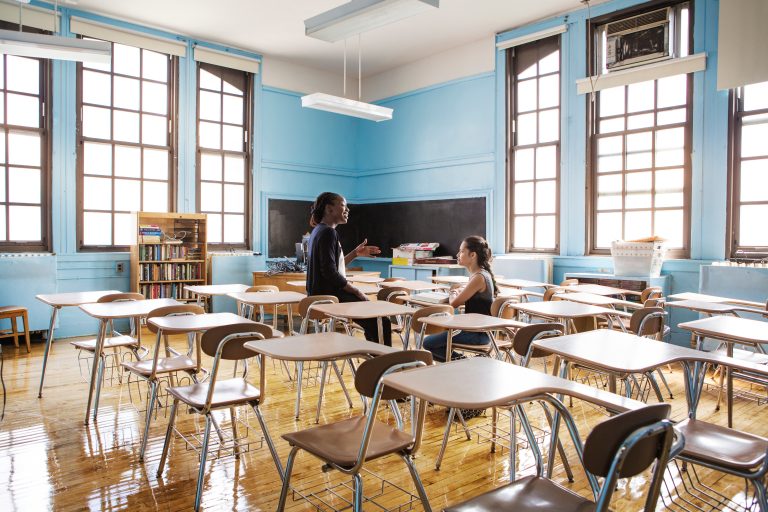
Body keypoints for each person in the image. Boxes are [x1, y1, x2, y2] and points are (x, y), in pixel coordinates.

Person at [305, 192, 392, 345]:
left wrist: (355, 253)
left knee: (373, 323)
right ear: (329, 209)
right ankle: (383, 358)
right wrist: (356, 291)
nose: (347, 210)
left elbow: (332, 266)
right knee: (381, 321)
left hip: (321, 296)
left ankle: (375, 355)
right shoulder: (328, 232)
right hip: (331, 297)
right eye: (343, 205)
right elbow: (330, 272)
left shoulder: (319, 230)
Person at [423, 235, 499, 362]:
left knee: (428, 343)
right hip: (476, 331)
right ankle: (464, 363)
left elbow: (454, 303)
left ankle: (465, 364)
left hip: (476, 334)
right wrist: (460, 290)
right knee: (436, 341)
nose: (458, 254)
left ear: (472, 255)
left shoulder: (479, 277)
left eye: (462, 251)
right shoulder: (480, 275)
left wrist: (453, 291)